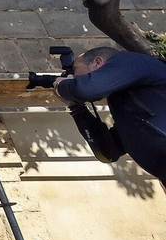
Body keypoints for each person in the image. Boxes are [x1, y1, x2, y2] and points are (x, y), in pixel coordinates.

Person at [54, 46, 166, 182]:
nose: (73, 77)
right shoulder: (128, 104)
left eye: (75, 70)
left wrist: (62, 86)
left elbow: (86, 89)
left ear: (98, 62)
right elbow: (108, 152)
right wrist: (76, 108)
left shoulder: (130, 61)